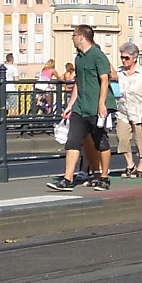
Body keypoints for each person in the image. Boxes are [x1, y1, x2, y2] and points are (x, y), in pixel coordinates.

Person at [46, 25, 114, 192]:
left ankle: (104, 177)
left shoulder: (98, 56)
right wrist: (70, 105)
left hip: (96, 107)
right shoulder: (79, 58)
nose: (72, 38)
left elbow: (104, 80)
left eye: (74, 35)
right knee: (73, 142)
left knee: (101, 142)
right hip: (80, 107)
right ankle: (67, 179)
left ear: (82, 37)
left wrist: (101, 103)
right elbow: (78, 82)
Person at [115, 43, 142, 178]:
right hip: (123, 111)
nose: (123, 60)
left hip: (139, 110)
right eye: (122, 57)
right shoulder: (119, 73)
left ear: (134, 58)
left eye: (126, 58)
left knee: (141, 139)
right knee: (121, 137)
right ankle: (129, 164)